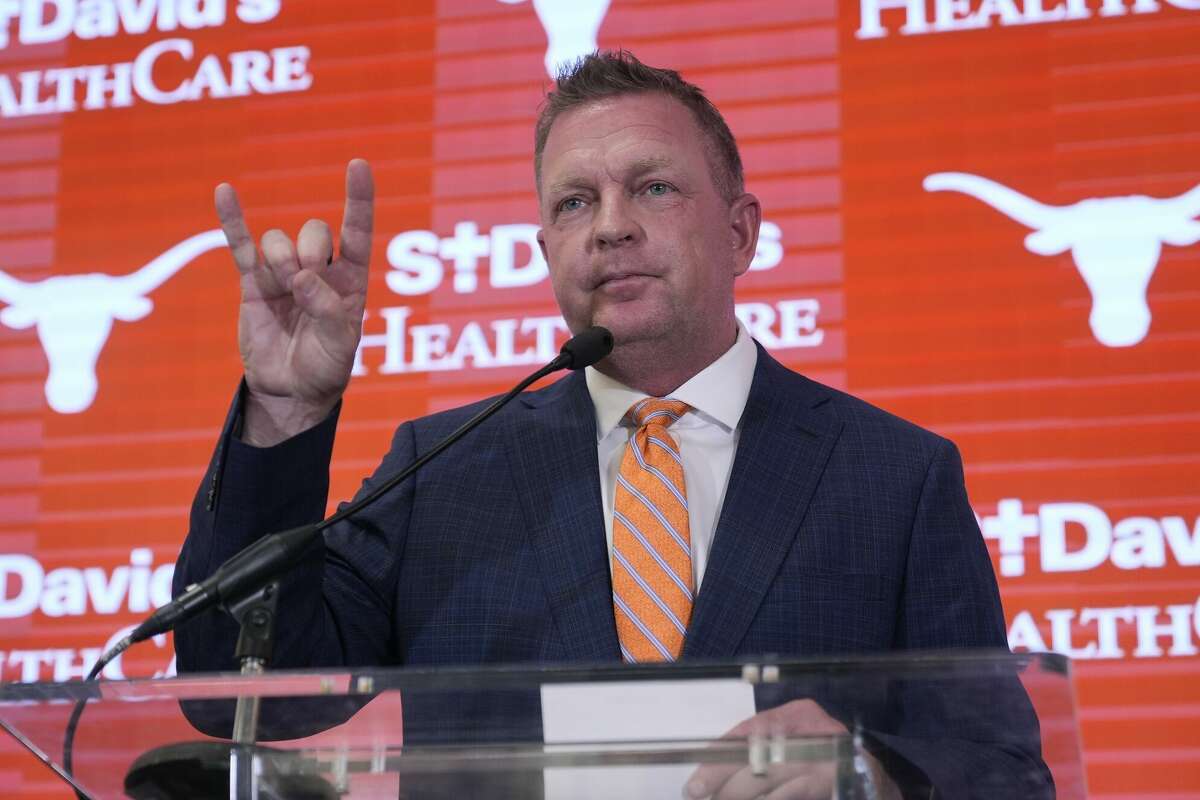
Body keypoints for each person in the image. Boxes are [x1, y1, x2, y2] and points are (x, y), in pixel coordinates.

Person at [174, 51, 1049, 799]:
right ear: (548, 249)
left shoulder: (895, 477)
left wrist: (871, 773)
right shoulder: (442, 471)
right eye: (574, 204)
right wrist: (286, 408)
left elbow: (1005, 772)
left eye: (654, 188)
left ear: (742, 233)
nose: (612, 228)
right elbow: (243, 698)